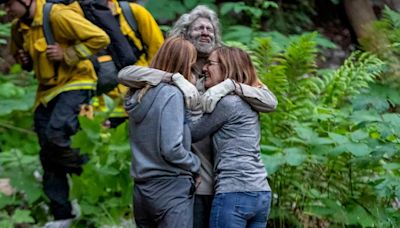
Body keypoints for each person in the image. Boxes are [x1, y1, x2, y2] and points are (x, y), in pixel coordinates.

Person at [118, 5, 277, 227]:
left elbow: (270, 101)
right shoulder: (179, 71)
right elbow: (126, 74)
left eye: (209, 29)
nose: (205, 32)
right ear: (184, 34)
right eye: (198, 28)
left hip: (228, 183)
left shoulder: (225, 68)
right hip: (194, 181)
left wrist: (231, 86)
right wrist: (174, 78)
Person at [2, 0, 110, 226]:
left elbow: (100, 38)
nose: (6, 10)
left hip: (76, 82)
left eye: (9, 3)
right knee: (46, 151)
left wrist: (69, 52)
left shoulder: (57, 16)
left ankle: (90, 171)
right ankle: (63, 215)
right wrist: (26, 62)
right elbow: (26, 64)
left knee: (55, 134)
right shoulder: (18, 28)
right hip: (46, 92)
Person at [121, 36, 201, 227]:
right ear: (183, 66)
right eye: (191, 66)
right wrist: (195, 164)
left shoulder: (139, 94)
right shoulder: (171, 94)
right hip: (170, 189)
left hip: (141, 191)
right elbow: (171, 148)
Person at [191, 46, 272, 228]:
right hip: (261, 192)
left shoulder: (228, 103)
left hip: (234, 192)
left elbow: (193, 133)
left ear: (227, 67)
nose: (204, 68)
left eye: (210, 64)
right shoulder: (248, 98)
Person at [95, 0, 164, 128]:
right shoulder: (80, 17)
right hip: (100, 110)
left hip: (139, 104)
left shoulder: (133, 13)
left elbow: (159, 55)